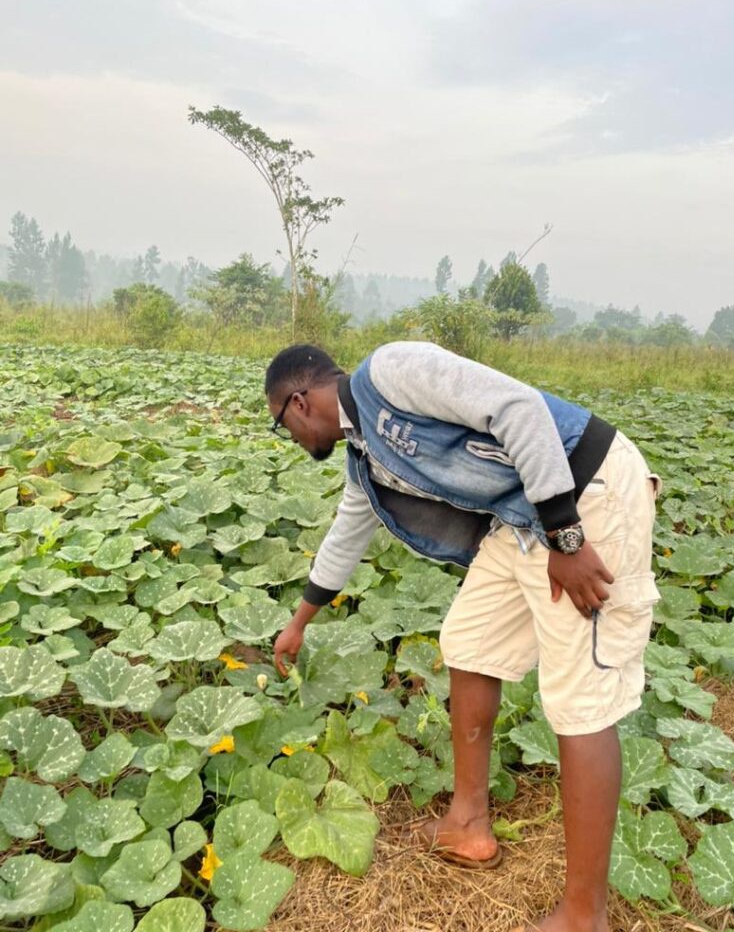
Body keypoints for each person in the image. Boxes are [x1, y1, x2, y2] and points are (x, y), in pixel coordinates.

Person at [267, 340, 660, 932]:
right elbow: (346, 534)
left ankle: (585, 916)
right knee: (470, 643)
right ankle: (469, 822)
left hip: (584, 494)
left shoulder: (391, 370)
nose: (293, 440)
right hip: (522, 513)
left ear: (298, 404)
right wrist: (299, 621)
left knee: (580, 700)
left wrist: (567, 539)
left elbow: (518, 408)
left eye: (282, 427)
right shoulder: (364, 453)